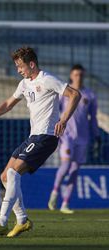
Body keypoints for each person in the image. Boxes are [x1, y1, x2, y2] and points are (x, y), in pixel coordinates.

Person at [0, 47, 81, 237]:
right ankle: (22, 220)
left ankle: (2, 222)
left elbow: (75, 95)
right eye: (16, 66)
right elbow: (7, 104)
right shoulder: (23, 84)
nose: (18, 70)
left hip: (46, 137)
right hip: (33, 137)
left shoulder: (47, 79)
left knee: (13, 173)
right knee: (5, 176)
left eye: (20, 66)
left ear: (31, 64)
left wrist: (63, 120)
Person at [48, 64, 100, 214]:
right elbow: (55, 112)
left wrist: (96, 135)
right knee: (66, 165)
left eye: (81, 75)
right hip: (66, 136)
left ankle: (65, 204)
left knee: (75, 169)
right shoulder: (64, 93)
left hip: (83, 138)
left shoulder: (90, 95)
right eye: (76, 74)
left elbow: (93, 118)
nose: (79, 77)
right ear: (71, 75)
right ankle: (55, 192)